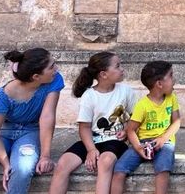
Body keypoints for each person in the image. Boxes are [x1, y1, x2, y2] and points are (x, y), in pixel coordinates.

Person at [0, 48, 64, 194]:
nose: (56, 69)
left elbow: (47, 117)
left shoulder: (54, 80)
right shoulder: (3, 97)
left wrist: (45, 156)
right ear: (36, 76)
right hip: (2, 133)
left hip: (30, 131)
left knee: (22, 169)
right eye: (52, 66)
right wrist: (6, 163)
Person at [49, 52, 136, 194]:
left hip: (115, 140)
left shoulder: (126, 91)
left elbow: (134, 118)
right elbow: (84, 127)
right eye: (118, 66)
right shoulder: (89, 95)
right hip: (92, 140)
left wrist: (126, 129)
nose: (122, 69)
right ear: (103, 74)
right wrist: (91, 149)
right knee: (63, 164)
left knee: (105, 161)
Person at [111, 61, 181, 194]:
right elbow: (131, 130)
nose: (174, 80)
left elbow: (176, 122)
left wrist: (163, 138)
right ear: (159, 84)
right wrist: (138, 147)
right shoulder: (142, 105)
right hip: (143, 142)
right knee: (119, 170)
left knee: (163, 168)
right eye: (171, 76)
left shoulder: (172, 98)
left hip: (165, 142)